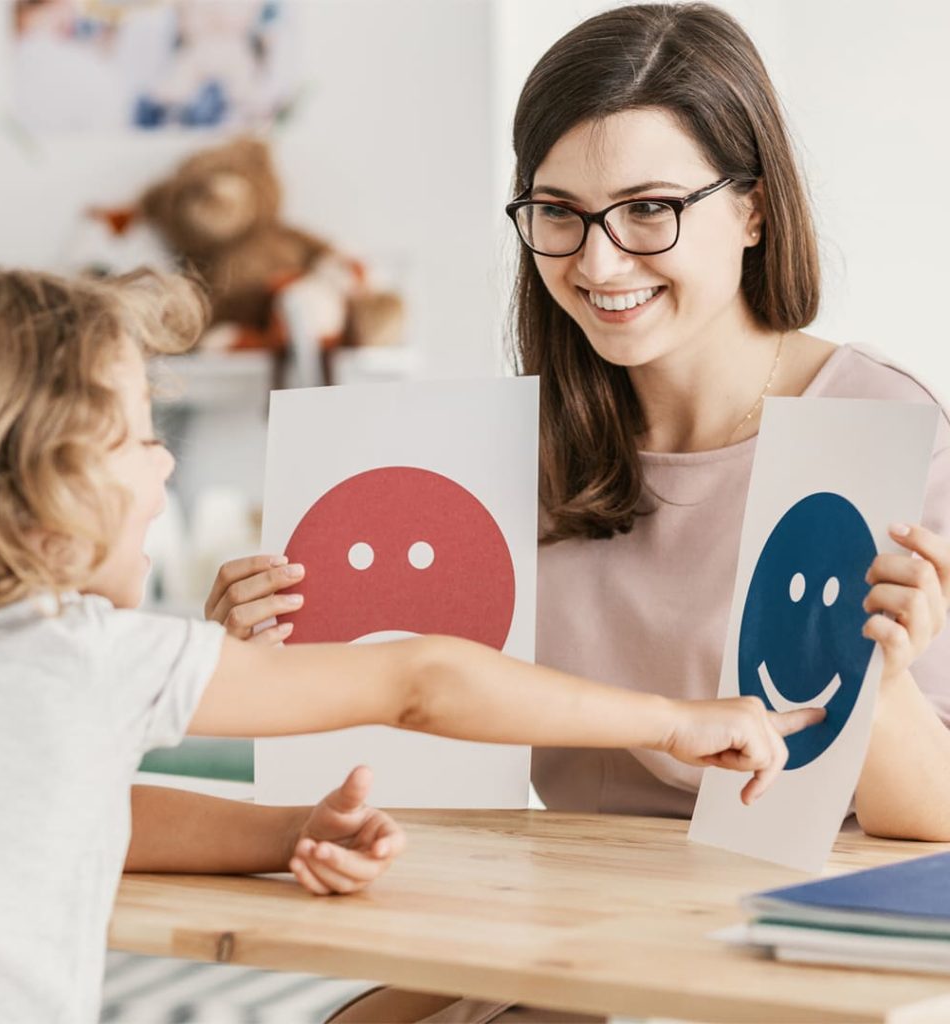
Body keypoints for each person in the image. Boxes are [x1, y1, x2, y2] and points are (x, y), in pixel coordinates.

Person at [212, 3, 950, 1020]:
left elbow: (929, 826)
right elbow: (410, 721)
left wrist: (891, 681)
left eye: (649, 208)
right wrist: (256, 656)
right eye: (558, 211)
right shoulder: (498, 452)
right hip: (556, 924)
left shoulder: (876, 423)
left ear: (753, 209)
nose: (598, 264)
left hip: (771, 945)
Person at [0, 267, 821, 1024]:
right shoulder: (83, 657)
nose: (166, 465)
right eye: (141, 436)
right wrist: (671, 721)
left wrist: (288, 832)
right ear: (41, 483)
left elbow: (86, 809)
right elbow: (421, 677)